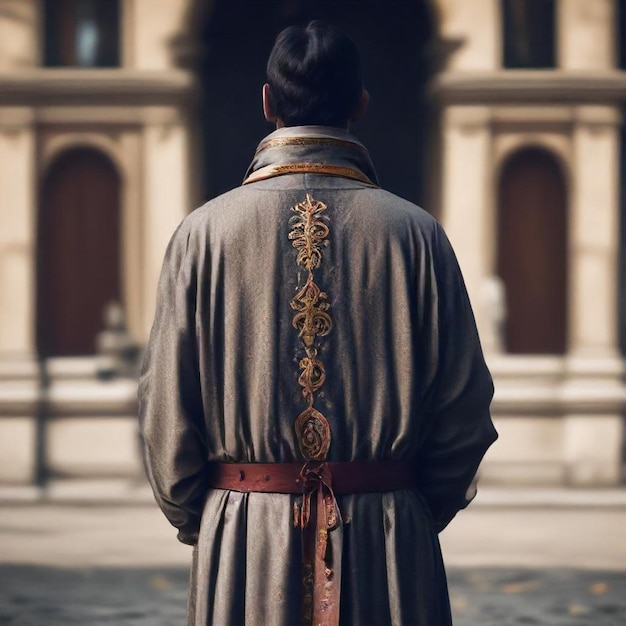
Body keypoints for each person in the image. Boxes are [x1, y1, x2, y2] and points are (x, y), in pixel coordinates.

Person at [139, 20, 497, 626]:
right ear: (360, 103)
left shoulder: (202, 234)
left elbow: (166, 411)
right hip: (388, 540)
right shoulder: (418, 235)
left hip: (246, 536)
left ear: (268, 102)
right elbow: (464, 409)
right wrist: (400, 505)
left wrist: (220, 515)